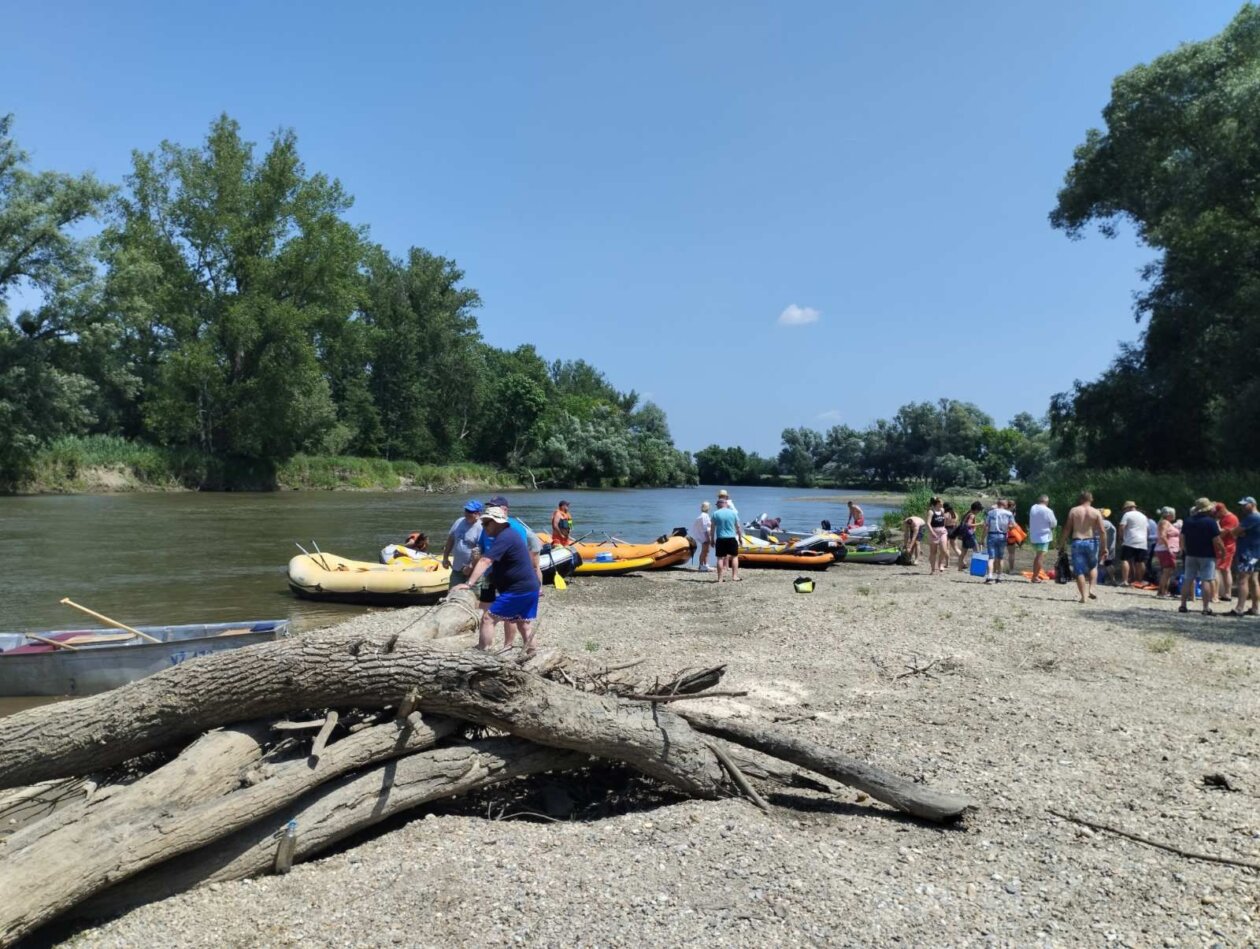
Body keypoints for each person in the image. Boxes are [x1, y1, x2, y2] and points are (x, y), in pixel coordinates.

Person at [453, 506, 541, 652]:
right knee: (524, 624)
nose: (483, 526)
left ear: (496, 522)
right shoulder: (509, 534)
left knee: (488, 618)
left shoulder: (505, 537)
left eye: (486, 523)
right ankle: (533, 654)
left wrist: (468, 583)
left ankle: (482, 651)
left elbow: (485, 561)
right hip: (529, 587)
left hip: (517, 590)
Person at [1058, 491, 1108, 603]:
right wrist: (1104, 547)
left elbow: (1067, 529)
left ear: (1080, 499)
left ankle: (1084, 597)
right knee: (1093, 566)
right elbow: (1102, 531)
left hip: (1077, 542)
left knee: (1079, 570)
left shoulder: (1074, 511)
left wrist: (1061, 544)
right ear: (1091, 499)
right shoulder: (1096, 512)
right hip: (1092, 542)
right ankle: (1092, 589)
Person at [1179, 497, 1225, 616]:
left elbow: (1182, 537)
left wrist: (1184, 549)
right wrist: (1223, 551)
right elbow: (1217, 540)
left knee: (1188, 578)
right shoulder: (1210, 522)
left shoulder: (1188, 520)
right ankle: (1205, 607)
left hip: (1191, 554)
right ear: (1208, 509)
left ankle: (1183, 605)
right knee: (1206, 580)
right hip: (1207, 555)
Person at [1225, 496, 1259, 618]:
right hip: (1257, 553)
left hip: (1248, 553)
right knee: (1254, 580)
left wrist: (1239, 533)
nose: (1242, 507)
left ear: (1253, 504)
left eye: (1245, 505)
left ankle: (1239, 608)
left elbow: (1234, 532)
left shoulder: (1252, 518)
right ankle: (1255, 608)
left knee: (1242, 580)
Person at [441, 500, 484, 586]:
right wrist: (445, 557)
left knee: (473, 596)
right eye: (466, 511)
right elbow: (450, 540)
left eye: (470, 512)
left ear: (478, 514)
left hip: (473, 571)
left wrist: (470, 566)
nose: (467, 514)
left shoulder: (481, 528)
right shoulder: (459, 522)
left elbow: (481, 552)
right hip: (457, 568)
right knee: (452, 593)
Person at [1117, 501, 1150, 587]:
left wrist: (1121, 538)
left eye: (1124, 509)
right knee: (1140, 561)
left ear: (1128, 508)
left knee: (1125, 559)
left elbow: (1121, 527)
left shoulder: (1127, 515)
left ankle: (1125, 580)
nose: (1124, 511)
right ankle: (1139, 581)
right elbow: (1148, 529)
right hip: (1142, 542)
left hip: (1130, 540)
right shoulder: (1144, 516)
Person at [709, 496, 741, 582]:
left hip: (720, 538)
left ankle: (720, 578)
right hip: (731, 538)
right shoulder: (733, 513)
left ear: (720, 504)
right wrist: (740, 538)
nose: (716, 506)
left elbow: (712, 529)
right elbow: (738, 527)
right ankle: (734, 576)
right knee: (734, 557)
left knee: (720, 558)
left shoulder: (715, 514)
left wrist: (712, 539)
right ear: (726, 504)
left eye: (717, 505)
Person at [983, 500, 1015, 583]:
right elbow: (1012, 525)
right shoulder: (1009, 514)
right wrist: (1008, 527)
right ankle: (999, 577)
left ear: (997, 504)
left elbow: (986, 526)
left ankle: (990, 576)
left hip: (992, 535)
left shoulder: (990, 513)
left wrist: (982, 538)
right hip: (1002, 536)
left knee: (991, 557)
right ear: (1005, 505)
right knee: (1000, 558)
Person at [1028, 495, 1057, 582]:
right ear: (1047, 502)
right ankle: (1035, 576)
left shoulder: (1033, 508)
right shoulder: (1048, 511)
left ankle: (1035, 574)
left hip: (1034, 535)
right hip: (1043, 536)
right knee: (1040, 556)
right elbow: (1053, 523)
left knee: (1038, 556)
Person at [1213, 502, 1238, 602]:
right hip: (1220, 546)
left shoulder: (1231, 518)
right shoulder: (1221, 518)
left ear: (1222, 510)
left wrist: (1216, 523)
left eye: (1216, 513)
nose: (1215, 515)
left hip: (1227, 547)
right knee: (1222, 569)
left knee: (1222, 569)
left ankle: (1226, 593)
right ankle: (1222, 593)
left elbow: (1222, 534)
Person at [1153, 507, 1181, 599]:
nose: (1174, 515)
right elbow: (1162, 535)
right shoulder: (1164, 522)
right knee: (1167, 571)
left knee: (1167, 571)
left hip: (1164, 549)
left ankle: (1163, 591)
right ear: (1169, 515)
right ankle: (1162, 592)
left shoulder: (1166, 523)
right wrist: (1168, 546)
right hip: (1165, 550)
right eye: (1173, 514)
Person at [956, 501, 981, 573]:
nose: (979, 512)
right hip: (970, 535)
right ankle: (976, 568)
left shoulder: (967, 513)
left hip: (965, 535)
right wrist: (979, 524)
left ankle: (959, 567)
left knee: (963, 552)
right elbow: (968, 524)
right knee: (977, 551)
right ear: (976, 509)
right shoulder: (972, 515)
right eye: (979, 510)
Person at [926, 497, 948, 574]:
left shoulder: (942, 510)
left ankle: (940, 564)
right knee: (933, 552)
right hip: (934, 531)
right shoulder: (931, 511)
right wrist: (932, 532)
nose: (943, 503)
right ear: (938, 503)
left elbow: (944, 519)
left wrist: (944, 527)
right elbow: (928, 523)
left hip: (942, 531)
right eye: (942, 502)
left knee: (944, 550)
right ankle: (932, 569)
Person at [1097, 508, 1117, 586]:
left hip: (1106, 546)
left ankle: (1103, 579)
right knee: (1108, 563)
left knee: (1106, 563)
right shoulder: (1108, 523)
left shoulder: (1105, 523)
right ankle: (1112, 579)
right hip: (1109, 546)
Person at [691, 501, 713, 572]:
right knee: (704, 551)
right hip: (705, 536)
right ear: (708, 508)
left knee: (706, 551)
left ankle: (706, 564)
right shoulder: (704, 516)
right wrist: (708, 538)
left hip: (704, 535)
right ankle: (701, 566)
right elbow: (705, 528)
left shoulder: (703, 515)